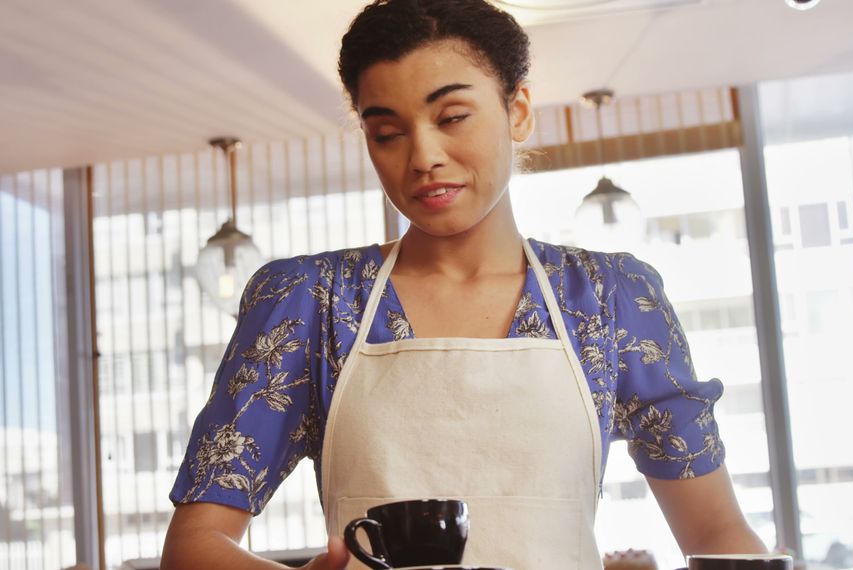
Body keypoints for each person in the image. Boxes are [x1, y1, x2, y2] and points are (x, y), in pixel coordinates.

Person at [161, 1, 767, 568]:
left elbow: (716, 533)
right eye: (387, 132)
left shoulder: (612, 299)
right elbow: (194, 546)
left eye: (451, 117)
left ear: (518, 111)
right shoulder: (310, 301)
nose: (423, 155)